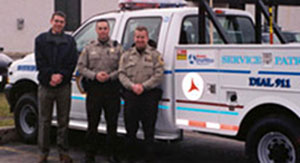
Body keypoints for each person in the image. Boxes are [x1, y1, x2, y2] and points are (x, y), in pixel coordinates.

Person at [77, 19, 123, 163]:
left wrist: (110, 76)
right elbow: (81, 68)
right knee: (92, 124)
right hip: (95, 89)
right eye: (100, 28)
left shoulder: (118, 48)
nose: (103, 31)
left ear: (109, 30)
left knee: (112, 124)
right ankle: (90, 155)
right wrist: (95, 76)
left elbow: (122, 68)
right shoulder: (89, 48)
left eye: (105, 28)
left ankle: (112, 155)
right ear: (96, 31)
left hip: (112, 89)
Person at [35, 11, 78, 163]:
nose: (59, 24)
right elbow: (40, 62)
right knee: (44, 121)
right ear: (51, 21)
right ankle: (42, 153)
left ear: (64, 24)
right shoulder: (41, 40)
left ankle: (63, 153)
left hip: (63, 86)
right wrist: (50, 77)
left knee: (63, 121)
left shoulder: (70, 41)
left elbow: (72, 62)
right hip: (46, 86)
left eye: (61, 22)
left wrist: (61, 76)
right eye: (57, 21)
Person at [118, 26, 164, 162]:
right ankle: (131, 157)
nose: (140, 40)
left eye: (142, 37)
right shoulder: (126, 55)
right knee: (130, 130)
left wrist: (143, 86)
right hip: (131, 95)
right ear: (134, 38)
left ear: (147, 38)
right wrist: (132, 86)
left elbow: (159, 74)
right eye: (137, 37)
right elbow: (121, 73)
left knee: (149, 130)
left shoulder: (155, 55)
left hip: (149, 96)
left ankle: (149, 158)